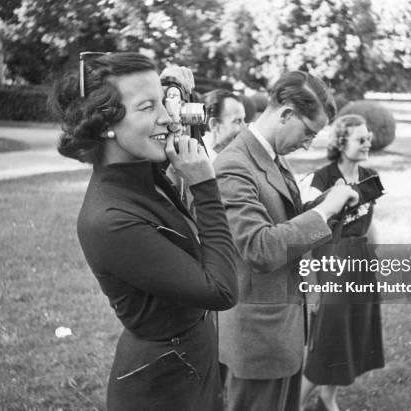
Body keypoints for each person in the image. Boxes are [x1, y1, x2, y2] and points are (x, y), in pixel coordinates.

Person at [51, 52, 238, 411]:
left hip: (193, 358)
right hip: (160, 386)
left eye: (163, 104)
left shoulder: (142, 171)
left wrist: (172, 91)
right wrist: (205, 188)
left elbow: (178, 128)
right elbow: (222, 290)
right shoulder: (109, 219)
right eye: (147, 107)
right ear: (104, 121)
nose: (168, 119)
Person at [214, 71, 359, 411]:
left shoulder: (271, 157)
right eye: (308, 132)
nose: (309, 143)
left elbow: (281, 222)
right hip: (257, 342)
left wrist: (327, 207)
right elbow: (259, 248)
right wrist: (323, 213)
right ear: (286, 115)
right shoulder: (233, 166)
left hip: (282, 333)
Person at [302, 114, 384, 411]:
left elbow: (369, 225)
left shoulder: (368, 176)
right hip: (331, 267)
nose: (367, 144)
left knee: (348, 337)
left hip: (360, 266)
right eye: (360, 139)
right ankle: (295, 403)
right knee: (327, 342)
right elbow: (306, 234)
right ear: (340, 142)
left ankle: (328, 398)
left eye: (368, 139)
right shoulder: (321, 179)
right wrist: (310, 285)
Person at [202, 89, 246, 158]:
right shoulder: (197, 161)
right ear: (214, 124)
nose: (245, 128)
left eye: (244, 120)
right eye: (237, 121)